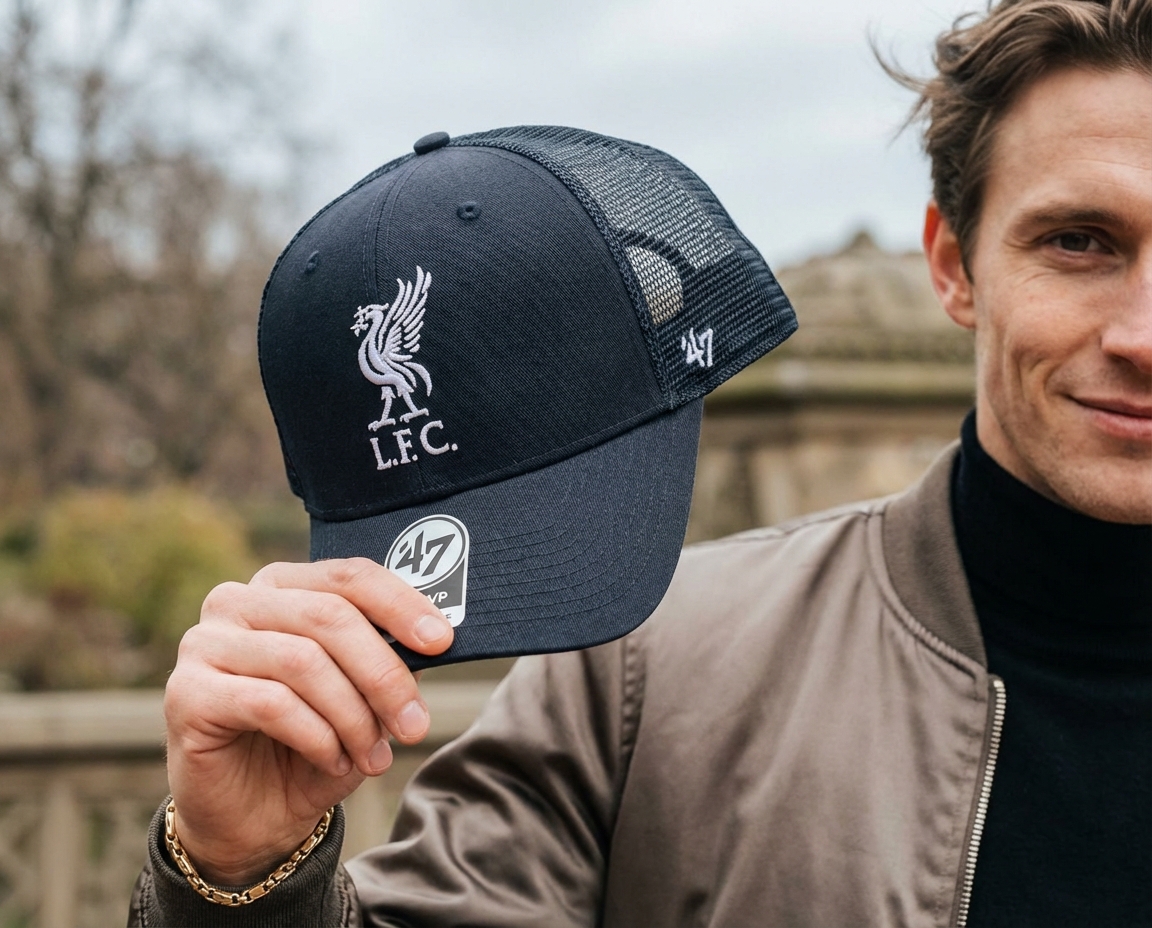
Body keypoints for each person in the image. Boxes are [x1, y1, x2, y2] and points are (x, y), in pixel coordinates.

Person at [130, 0, 1151, 924]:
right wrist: (240, 879)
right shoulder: (641, 671)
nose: (1142, 337)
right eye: (1079, 241)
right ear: (953, 264)